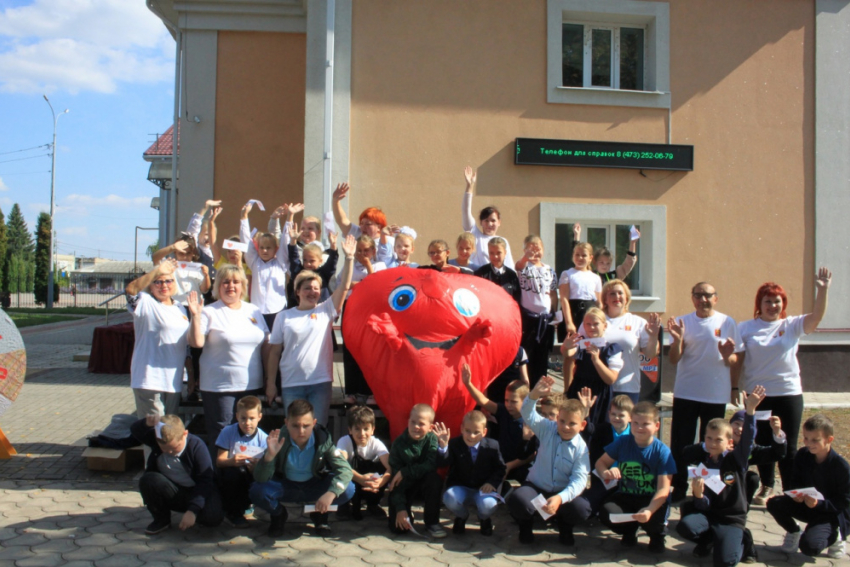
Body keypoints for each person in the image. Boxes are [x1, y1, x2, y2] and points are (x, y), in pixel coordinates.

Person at [737, 267, 832, 505]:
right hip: (758, 395)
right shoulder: (745, 328)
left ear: (783, 303)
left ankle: (791, 491)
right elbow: (736, 360)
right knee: (763, 443)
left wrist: (822, 290)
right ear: (760, 303)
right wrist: (736, 388)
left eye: (777, 301)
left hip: (788, 394)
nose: (773, 306)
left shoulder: (791, 325)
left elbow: (816, 317)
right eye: (768, 301)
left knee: (787, 445)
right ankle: (767, 485)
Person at [266, 235, 357, 426]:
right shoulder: (284, 316)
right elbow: (274, 353)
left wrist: (349, 258)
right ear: (297, 291)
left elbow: (344, 286)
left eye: (316, 288)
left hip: (320, 383)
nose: (312, 292)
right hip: (291, 383)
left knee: (319, 430)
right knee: (295, 431)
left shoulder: (325, 310)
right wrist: (270, 384)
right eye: (307, 288)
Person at [667, 282, 743, 501]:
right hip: (686, 392)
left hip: (714, 394)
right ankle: (679, 486)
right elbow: (673, 359)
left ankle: (710, 488)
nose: (703, 300)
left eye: (708, 295)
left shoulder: (727, 322)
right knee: (681, 443)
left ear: (715, 298)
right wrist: (678, 340)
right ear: (692, 298)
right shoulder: (683, 321)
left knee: (712, 443)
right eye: (698, 295)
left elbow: (734, 359)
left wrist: (727, 354)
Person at [677, 386, 767, 566]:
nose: (712, 443)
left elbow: (748, 440)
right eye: (709, 438)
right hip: (711, 515)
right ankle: (710, 540)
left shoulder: (737, 459)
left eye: (718, 440)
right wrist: (698, 495)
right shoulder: (705, 462)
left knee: (725, 562)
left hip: (731, 519)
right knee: (686, 526)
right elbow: (705, 503)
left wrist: (750, 411)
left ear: (729, 442)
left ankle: (741, 540)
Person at [187, 265, 269, 452]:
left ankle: (243, 479)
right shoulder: (209, 311)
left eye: (236, 282)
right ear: (218, 286)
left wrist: (268, 378)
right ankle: (220, 478)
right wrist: (195, 316)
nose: (231, 286)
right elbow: (196, 342)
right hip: (220, 388)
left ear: (243, 286)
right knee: (223, 438)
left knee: (248, 438)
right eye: (225, 282)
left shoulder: (253, 311)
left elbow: (265, 344)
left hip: (251, 385)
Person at [250, 399, 355, 538]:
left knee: (348, 489)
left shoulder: (322, 439)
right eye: (295, 426)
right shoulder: (278, 439)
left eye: (306, 426)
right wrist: (269, 456)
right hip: (286, 485)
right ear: (286, 423)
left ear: (314, 423)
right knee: (256, 491)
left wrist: (331, 493)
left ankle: (320, 515)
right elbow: (260, 478)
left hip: (314, 484)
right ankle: (279, 515)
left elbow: (345, 470)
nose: (301, 431)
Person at [507, 376, 591, 546]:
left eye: (572, 423)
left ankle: (565, 527)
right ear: (558, 418)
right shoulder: (547, 428)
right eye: (562, 421)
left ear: (582, 425)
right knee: (518, 499)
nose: (565, 426)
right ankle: (525, 527)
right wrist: (534, 395)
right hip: (537, 487)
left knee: (582, 508)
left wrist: (560, 498)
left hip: (562, 492)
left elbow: (580, 480)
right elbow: (527, 413)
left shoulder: (582, 449)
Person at [597, 401, 677, 553]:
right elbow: (601, 463)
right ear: (630, 422)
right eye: (635, 423)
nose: (639, 428)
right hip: (627, 495)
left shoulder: (662, 451)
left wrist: (649, 510)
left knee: (654, 520)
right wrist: (605, 472)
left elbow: (663, 490)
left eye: (645, 424)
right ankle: (629, 531)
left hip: (652, 498)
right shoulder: (623, 442)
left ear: (656, 426)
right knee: (607, 512)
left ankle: (657, 536)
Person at [766, 414, 850, 559]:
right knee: (774, 503)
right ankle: (793, 531)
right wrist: (796, 495)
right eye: (806, 438)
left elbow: (844, 501)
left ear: (829, 439)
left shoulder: (841, 467)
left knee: (810, 548)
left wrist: (820, 504)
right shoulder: (803, 455)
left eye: (815, 440)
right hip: (807, 504)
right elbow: (795, 481)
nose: (808, 443)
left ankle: (835, 536)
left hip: (830, 513)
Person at [132, 414, 223, 535]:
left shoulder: (197, 447)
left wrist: (193, 510)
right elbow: (135, 431)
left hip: (196, 491)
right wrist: (146, 423)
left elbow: (205, 481)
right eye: (164, 449)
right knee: (148, 479)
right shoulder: (158, 440)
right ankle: (161, 519)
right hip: (173, 490)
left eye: (174, 448)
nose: (169, 452)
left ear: (185, 434)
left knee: (213, 517)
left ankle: (194, 514)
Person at [125, 259, 190, 418]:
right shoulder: (145, 302)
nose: (164, 285)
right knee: (155, 433)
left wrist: (191, 376)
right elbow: (130, 289)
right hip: (149, 379)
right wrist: (157, 270)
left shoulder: (180, 308)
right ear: (150, 285)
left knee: (169, 431)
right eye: (158, 282)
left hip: (173, 381)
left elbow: (185, 346)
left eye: (168, 281)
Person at [579, 280, 661, 405]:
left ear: (627, 298)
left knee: (623, 423)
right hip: (596, 385)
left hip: (627, 387)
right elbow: (576, 350)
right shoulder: (593, 319)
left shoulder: (638, 322)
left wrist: (654, 336)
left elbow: (650, 354)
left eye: (620, 293)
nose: (617, 297)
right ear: (605, 299)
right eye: (612, 294)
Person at [435, 410, 506, 536]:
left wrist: (491, 482)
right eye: (468, 431)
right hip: (461, 486)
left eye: (476, 432)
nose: (471, 436)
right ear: (462, 429)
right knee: (449, 498)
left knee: (488, 505)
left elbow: (501, 468)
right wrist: (443, 446)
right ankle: (462, 516)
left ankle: (484, 518)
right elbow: (443, 463)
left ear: (484, 432)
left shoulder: (493, 446)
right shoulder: (455, 444)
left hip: (483, 488)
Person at [462, 369, 538, 483]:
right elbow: (483, 401)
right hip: (501, 461)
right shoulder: (504, 411)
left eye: (513, 401)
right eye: (506, 400)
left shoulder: (531, 421)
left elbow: (531, 455)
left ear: (525, 401)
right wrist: (468, 384)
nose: (509, 405)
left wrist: (510, 466)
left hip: (519, 466)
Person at [387, 403, 445, 538]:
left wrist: (405, 471)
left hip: (423, 483)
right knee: (399, 529)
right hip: (404, 487)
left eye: (421, 424)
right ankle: (406, 512)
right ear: (408, 422)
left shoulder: (431, 439)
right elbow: (395, 481)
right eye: (413, 422)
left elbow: (431, 464)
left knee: (434, 479)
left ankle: (432, 522)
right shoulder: (398, 444)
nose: (416, 427)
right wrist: (400, 509)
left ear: (430, 427)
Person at [341, 234, 386, 405]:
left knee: (370, 350)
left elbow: (377, 286)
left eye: (366, 250)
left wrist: (368, 267)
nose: (362, 254)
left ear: (373, 251)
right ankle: (351, 391)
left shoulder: (380, 265)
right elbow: (342, 284)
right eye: (359, 250)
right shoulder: (350, 265)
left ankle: (368, 391)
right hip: (352, 308)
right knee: (350, 348)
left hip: (371, 310)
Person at [562, 308, 623, 430]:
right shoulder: (581, 343)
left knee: (597, 430)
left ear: (604, 326)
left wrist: (596, 360)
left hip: (600, 395)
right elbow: (568, 353)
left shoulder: (612, 348)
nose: (592, 327)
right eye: (588, 324)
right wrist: (566, 347)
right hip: (579, 390)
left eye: (596, 324)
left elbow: (611, 379)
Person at [214, 395, 268, 528]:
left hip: (253, 475)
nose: (247, 423)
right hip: (232, 474)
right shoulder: (227, 432)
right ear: (237, 416)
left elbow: (268, 467)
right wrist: (231, 461)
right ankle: (233, 512)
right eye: (243, 418)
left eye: (252, 418)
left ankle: (249, 504)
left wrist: (257, 467)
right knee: (234, 473)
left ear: (259, 417)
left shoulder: (264, 438)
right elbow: (219, 461)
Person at [576, 393, 633, 516]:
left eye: (621, 415)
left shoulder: (635, 434)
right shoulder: (603, 429)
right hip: (603, 479)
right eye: (613, 414)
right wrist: (586, 412)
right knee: (582, 507)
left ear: (630, 417)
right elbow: (588, 429)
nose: (616, 418)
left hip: (627, 481)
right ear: (608, 414)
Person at [515, 235, 558, 386]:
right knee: (528, 353)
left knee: (542, 355)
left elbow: (553, 293)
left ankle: (541, 387)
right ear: (525, 250)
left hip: (545, 319)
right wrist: (525, 258)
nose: (535, 252)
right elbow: (518, 265)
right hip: (528, 319)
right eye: (530, 249)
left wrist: (555, 314)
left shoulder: (549, 270)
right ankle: (525, 386)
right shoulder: (524, 268)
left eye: (537, 248)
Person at [239, 201, 289, 331]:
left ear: (275, 249)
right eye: (261, 248)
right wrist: (244, 217)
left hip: (277, 309)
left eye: (268, 248)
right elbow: (245, 241)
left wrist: (289, 218)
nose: (264, 251)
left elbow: (285, 241)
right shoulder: (254, 262)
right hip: (257, 310)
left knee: (276, 345)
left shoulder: (280, 262)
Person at [336, 405, 391, 520]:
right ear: (350, 430)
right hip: (353, 478)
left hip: (369, 480)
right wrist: (360, 478)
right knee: (340, 473)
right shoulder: (344, 441)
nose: (362, 433)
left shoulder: (376, 443)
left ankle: (372, 504)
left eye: (366, 429)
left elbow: (390, 467)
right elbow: (340, 464)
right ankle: (344, 504)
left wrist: (381, 482)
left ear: (372, 429)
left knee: (381, 472)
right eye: (357, 429)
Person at [725, 410, 786, 504]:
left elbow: (776, 454)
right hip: (716, 481)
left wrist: (777, 433)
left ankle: (742, 507)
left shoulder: (750, 449)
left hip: (735, 482)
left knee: (752, 478)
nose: (740, 429)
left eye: (745, 426)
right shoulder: (716, 442)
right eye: (737, 423)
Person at [461, 165, 514, 268]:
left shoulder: (503, 241)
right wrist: (470, 186)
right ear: (481, 222)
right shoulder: (475, 236)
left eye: (493, 220)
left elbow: (509, 267)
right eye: (486, 220)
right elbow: (465, 210)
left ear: (499, 222)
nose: (490, 224)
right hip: (478, 280)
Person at [151, 233, 211, 306]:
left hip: (194, 306)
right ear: (175, 252)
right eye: (181, 253)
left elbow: (204, 289)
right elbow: (155, 258)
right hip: (174, 305)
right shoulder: (169, 265)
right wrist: (172, 247)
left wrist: (206, 275)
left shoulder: (198, 267)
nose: (185, 257)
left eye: (188, 253)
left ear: (193, 253)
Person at [286, 225, 338, 306]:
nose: (308, 264)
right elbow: (294, 258)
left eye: (312, 261)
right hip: (299, 309)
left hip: (319, 309)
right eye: (305, 260)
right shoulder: (299, 272)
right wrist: (293, 241)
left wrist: (333, 246)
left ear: (320, 261)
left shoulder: (324, 273)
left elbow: (332, 262)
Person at [558, 242, 602, 336]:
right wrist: (569, 322)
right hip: (572, 312)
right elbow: (564, 299)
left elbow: (599, 302)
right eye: (577, 255)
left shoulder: (595, 277)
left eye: (583, 255)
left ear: (590, 258)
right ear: (573, 256)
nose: (580, 258)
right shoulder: (567, 274)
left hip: (589, 312)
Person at [474, 236, 521, 306]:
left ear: (505, 253)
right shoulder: (481, 274)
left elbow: (516, 300)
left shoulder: (512, 275)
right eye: (491, 253)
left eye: (498, 253)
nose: (495, 256)